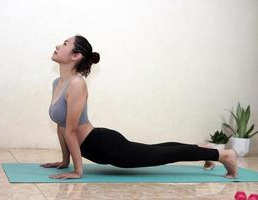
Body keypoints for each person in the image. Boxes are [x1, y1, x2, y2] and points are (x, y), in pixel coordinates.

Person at [40, 35, 238, 180]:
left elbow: (72, 131)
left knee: (161, 155)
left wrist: (77, 171)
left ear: (76, 56)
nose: (58, 45)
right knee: (156, 150)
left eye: (65, 43)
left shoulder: (76, 83)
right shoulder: (58, 82)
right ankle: (203, 149)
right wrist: (65, 161)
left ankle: (222, 155)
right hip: (96, 146)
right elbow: (62, 125)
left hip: (105, 147)